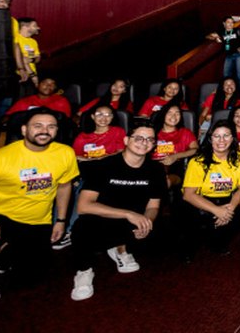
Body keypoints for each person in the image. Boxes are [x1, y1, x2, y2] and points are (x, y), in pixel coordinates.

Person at [0, 110, 78, 319]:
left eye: (51, 126)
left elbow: (64, 186)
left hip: (38, 221)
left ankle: (6, 254)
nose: (45, 130)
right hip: (0, 215)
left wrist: (61, 221)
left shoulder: (65, 153)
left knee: (31, 278)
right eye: (38, 125)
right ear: (24, 130)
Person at [70, 122, 167, 301]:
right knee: (81, 230)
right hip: (103, 218)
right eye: (138, 138)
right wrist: (128, 214)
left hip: (133, 221)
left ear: (154, 144)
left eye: (149, 139)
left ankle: (120, 249)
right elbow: (84, 206)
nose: (144, 143)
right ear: (126, 140)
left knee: (162, 239)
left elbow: (153, 206)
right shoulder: (104, 165)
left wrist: (147, 221)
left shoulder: (156, 169)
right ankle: (84, 271)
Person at [181, 121, 240, 257]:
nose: (221, 140)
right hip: (202, 200)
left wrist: (229, 210)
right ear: (210, 139)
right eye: (217, 136)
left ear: (233, 138)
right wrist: (216, 210)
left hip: (228, 200)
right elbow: (188, 195)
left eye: (226, 136)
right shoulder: (198, 161)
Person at [207, 16, 240, 90]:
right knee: (226, 76)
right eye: (228, 22)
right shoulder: (221, 32)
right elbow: (208, 36)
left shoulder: (238, 30)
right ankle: (229, 93)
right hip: (229, 56)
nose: (231, 24)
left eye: (232, 22)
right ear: (224, 23)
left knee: (239, 75)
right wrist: (215, 38)